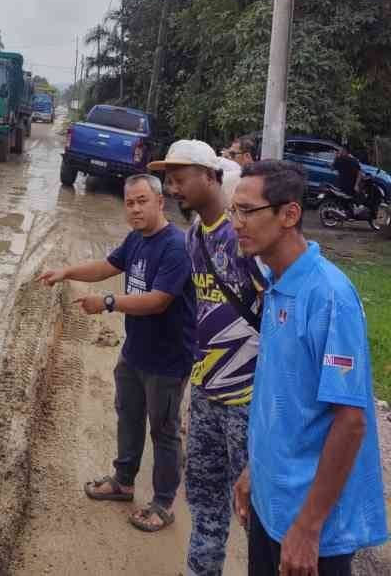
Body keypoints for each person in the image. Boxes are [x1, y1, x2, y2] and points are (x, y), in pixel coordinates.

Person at [231, 161, 388, 575]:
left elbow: (351, 422)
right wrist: (254, 471)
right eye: (234, 211)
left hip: (311, 527)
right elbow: (282, 398)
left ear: (289, 214)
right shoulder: (277, 283)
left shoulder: (329, 296)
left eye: (247, 211)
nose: (236, 223)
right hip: (272, 505)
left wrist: (308, 526)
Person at [37, 174, 196, 533]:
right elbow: (107, 266)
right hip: (135, 352)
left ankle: (163, 502)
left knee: (165, 431)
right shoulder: (137, 240)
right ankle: (123, 482)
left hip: (168, 361)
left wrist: (108, 302)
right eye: (130, 202)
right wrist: (66, 271)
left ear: (160, 202)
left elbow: (158, 301)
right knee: (128, 415)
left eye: (142, 201)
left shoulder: (176, 246)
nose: (136, 208)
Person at [150, 141, 264, 576]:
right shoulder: (194, 234)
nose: (172, 187)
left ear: (212, 176)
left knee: (257, 510)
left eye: (180, 178)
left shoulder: (245, 238)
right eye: (169, 179)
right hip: (205, 392)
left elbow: (274, 314)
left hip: (248, 400)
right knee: (204, 499)